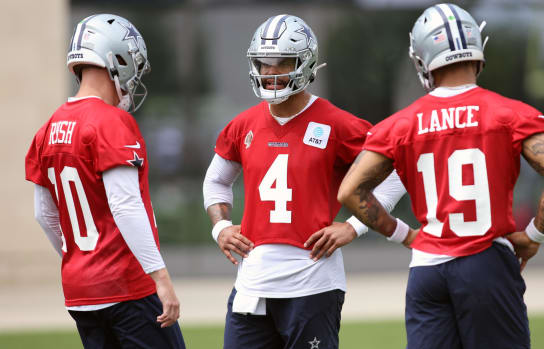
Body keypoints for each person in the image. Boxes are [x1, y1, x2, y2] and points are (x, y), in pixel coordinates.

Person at [337, 4, 544, 349]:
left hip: (427, 271)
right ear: (478, 50)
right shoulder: (510, 114)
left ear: (423, 59)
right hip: (486, 262)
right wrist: (536, 234)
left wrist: (403, 234)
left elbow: (350, 191)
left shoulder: (400, 124)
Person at [203, 14, 407, 349]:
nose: (270, 72)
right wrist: (220, 227)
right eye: (263, 63)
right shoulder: (242, 125)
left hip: (312, 281)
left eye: (281, 62)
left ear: (305, 62)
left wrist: (355, 226)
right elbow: (216, 182)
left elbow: (397, 171)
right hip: (252, 283)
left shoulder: (338, 124)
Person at [25, 14, 185, 348]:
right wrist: (161, 276)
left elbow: (45, 214)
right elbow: (125, 205)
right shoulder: (112, 121)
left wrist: (83, 262)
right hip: (127, 288)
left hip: (80, 292)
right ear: (117, 59)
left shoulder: (47, 130)